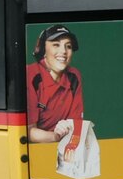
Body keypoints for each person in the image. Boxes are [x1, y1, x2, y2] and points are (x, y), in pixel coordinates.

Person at [26, 25, 85, 161]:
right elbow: (28, 132)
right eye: (56, 45)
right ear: (43, 50)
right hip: (35, 154)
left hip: (63, 151)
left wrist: (69, 130)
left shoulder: (74, 76)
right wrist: (55, 136)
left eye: (68, 46)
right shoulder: (30, 75)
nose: (63, 51)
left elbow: (76, 124)